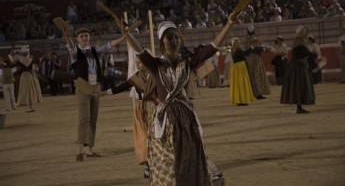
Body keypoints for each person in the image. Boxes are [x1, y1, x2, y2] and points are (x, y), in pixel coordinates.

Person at [117, 11, 240, 185]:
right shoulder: (155, 64)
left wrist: (228, 24)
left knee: (191, 159)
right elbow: (139, 50)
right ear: (162, 42)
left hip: (186, 119)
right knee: (167, 163)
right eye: (169, 38)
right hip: (165, 121)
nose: (173, 40)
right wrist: (127, 33)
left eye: (176, 37)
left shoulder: (188, 61)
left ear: (180, 39)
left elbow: (212, 47)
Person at [63, 26, 125, 162]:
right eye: (81, 36)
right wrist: (67, 36)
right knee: (83, 119)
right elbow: (70, 47)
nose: (84, 38)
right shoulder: (75, 52)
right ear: (77, 39)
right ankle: (80, 150)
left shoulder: (94, 50)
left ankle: (88, 149)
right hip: (82, 87)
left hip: (96, 87)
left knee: (93, 119)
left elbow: (109, 45)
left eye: (86, 35)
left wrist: (124, 36)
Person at [98, 55, 158, 179]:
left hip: (156, 109)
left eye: (140, 63)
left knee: (156, 138)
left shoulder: (157, 75)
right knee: (143, 139)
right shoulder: (136, 78)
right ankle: (147, 166)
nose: (137, 65)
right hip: (141, 111)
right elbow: (121, 87)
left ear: (147, 63)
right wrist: (103, 93)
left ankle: (157, 165)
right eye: (136, 63)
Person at [281, 25, 315, 114]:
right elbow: (307, 53)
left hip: (295, 65)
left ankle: (299, 107)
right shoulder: (301, 44)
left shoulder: (297, 42)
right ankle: (299, 108)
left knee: (296, 86)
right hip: (299, 66)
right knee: (300, 85)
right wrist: (317, 55)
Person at [244, 24, 271, 99]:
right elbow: (259, 49)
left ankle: (251, 93)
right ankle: (258, 93)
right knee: (257, 75)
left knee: (251, 76)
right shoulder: (256, 39)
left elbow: (245, 50)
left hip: (249, 59)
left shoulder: (246, 40)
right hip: (256, 59)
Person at [230, 37, 255, 106]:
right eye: (237, 42)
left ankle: (240, 100)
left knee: (239, 84)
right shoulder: (237, 50)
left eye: (239, 42)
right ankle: (242, 100)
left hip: (237, 67)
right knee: (242, 84)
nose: (239, 43)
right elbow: (245, 53)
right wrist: (251, 48)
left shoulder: (233, 49)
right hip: (240, 67)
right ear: (235, 43)